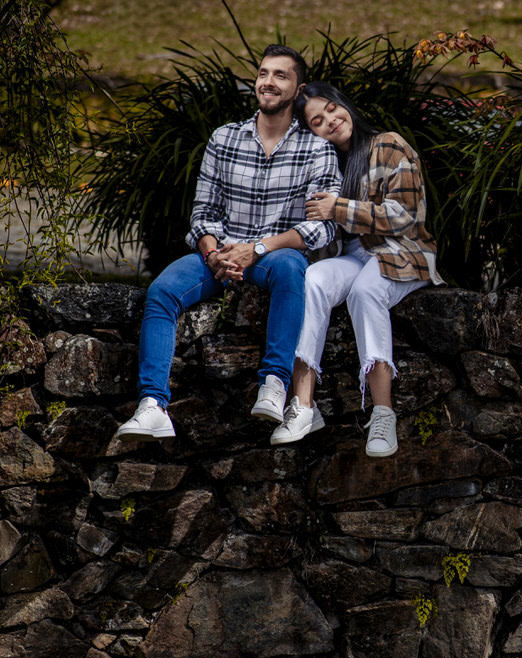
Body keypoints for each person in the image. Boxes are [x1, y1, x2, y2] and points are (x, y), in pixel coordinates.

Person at [116, 45, 340, 441]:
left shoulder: (316, 149)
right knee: (162, 291)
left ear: (298, 88)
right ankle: (153, 406)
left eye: (280, 76)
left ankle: (274, 384)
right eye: (263, 73)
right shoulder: (224, 138)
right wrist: (213, 253)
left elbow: (319, 229)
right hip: (218, 254)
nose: (268, 82)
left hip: (271, 256)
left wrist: (256, 249)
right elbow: (203, 211)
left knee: (293, 269)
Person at [269, 82, 442, 457]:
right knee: (312, 279)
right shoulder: (324, 163)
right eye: (317, 120)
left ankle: (383, 413)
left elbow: (404, 215)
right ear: (310, 130)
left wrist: (339, 208)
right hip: (356, 255)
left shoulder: (389, 144)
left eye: (332, 109)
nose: (330, 120)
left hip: (403, 251)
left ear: (345, 105)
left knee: (366, 290)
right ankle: (304, 406)